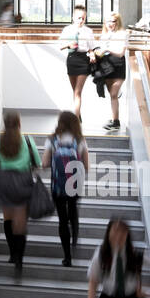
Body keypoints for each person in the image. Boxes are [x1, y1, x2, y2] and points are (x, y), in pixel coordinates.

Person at [0, 110, 42, 270]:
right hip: (23, 181)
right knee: (20, 223)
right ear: (19, 123)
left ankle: (12, 253)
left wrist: (2, 166)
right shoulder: (27, 140)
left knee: (7, 219)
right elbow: (37, 164)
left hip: (5, 181)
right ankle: (19, 258)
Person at [41, 111, 89, 267]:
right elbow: (87, 166)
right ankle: (74, 235)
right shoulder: (80, 140)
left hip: (58, 186)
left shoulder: (52, 140)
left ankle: (67, 257)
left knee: (62, 220)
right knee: (73, 210)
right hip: (74, 185)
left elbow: (45, 163)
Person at [92, 13, 129, 132]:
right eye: (108, 21)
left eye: (113, 21)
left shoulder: (123, 34)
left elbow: (121, 53)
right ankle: (114, 119)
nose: (110, 24)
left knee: (113, 94)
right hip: (106, 66)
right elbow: (100, 50)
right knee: (111, 95)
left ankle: (116, 122)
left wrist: (107, 49)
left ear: (117, 22)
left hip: (118, 65)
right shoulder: (104, 35)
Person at [58, 5, 96, 117]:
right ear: (73, 17)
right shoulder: (67, 30)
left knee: (78, 92)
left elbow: (92, 47)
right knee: (75, 91)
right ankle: (78, 115)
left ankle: (75, 118)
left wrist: (92, 54)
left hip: (83, 60)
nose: (81, 20)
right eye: (79, 18)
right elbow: (60, 46)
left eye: (83, 18)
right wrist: (69, 44)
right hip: (71, 59)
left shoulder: (88, 31)